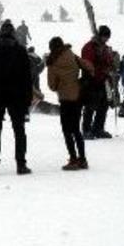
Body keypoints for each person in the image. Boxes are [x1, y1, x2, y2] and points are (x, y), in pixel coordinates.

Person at [0, 21, 32, 175]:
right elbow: (27, 78)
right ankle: (21, 164)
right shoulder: (20, 51)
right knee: (19, 130)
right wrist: (27, 98)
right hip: (17, 97)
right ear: (13, 33)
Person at [47, 37, 94, 170]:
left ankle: (73, 159)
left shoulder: (52, 62)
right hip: (78, 97)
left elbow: (52, 86)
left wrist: (60, 83)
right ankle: (83, 159)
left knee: (67, 130)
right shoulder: (71, 54)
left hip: (65, 99)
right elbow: (89, 66)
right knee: (76, 129)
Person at [80, 25, 115, 139]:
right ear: (99, 35)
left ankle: (98, 128)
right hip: (91, 80)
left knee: (103, 105)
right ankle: (86, 129)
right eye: (105, 36)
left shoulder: (105, 48)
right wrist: (99, 62)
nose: (106, 39)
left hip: (103, 80)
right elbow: (87, 63)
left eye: (107, 37)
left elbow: (109, 62)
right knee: (90, 105)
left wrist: (110, 65)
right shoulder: (89, 47)